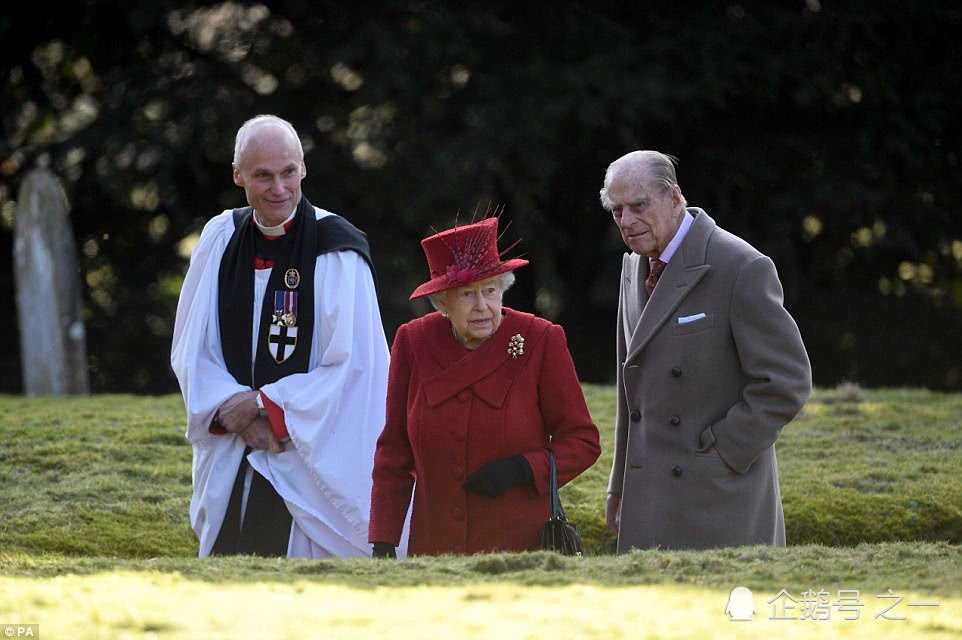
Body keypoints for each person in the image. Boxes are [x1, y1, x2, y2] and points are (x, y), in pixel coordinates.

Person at [171, 114, 392, 558]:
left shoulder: (337, 249)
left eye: (289, 172)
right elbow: (191, 346)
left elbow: (356, 366)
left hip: (303, 456)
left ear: (303, 168)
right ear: (238, 176)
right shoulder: (221, 239)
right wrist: (230, 409)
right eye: (263, 176)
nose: (279, 188)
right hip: (234, 447)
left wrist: (264, 407)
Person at [599, 150, 812, 551]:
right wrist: (620, 487)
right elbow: (632, 398)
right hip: (649, 494)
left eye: (639, 206)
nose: (626, 222)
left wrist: (726, 448)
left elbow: (787, 382)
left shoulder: (741, 266)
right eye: (617, 210)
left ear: (674, 197)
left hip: (720, 500)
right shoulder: (633, 267)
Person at [368, 213, 601, 556]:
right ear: (442, 302)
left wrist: (524, 469)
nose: (482, 307)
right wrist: (384, 538)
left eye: (490, 291)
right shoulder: (413, 342)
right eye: (466, 294)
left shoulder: (541, 340)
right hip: (436, 550)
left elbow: (582, 441)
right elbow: (394, 451)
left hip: (518, 550)